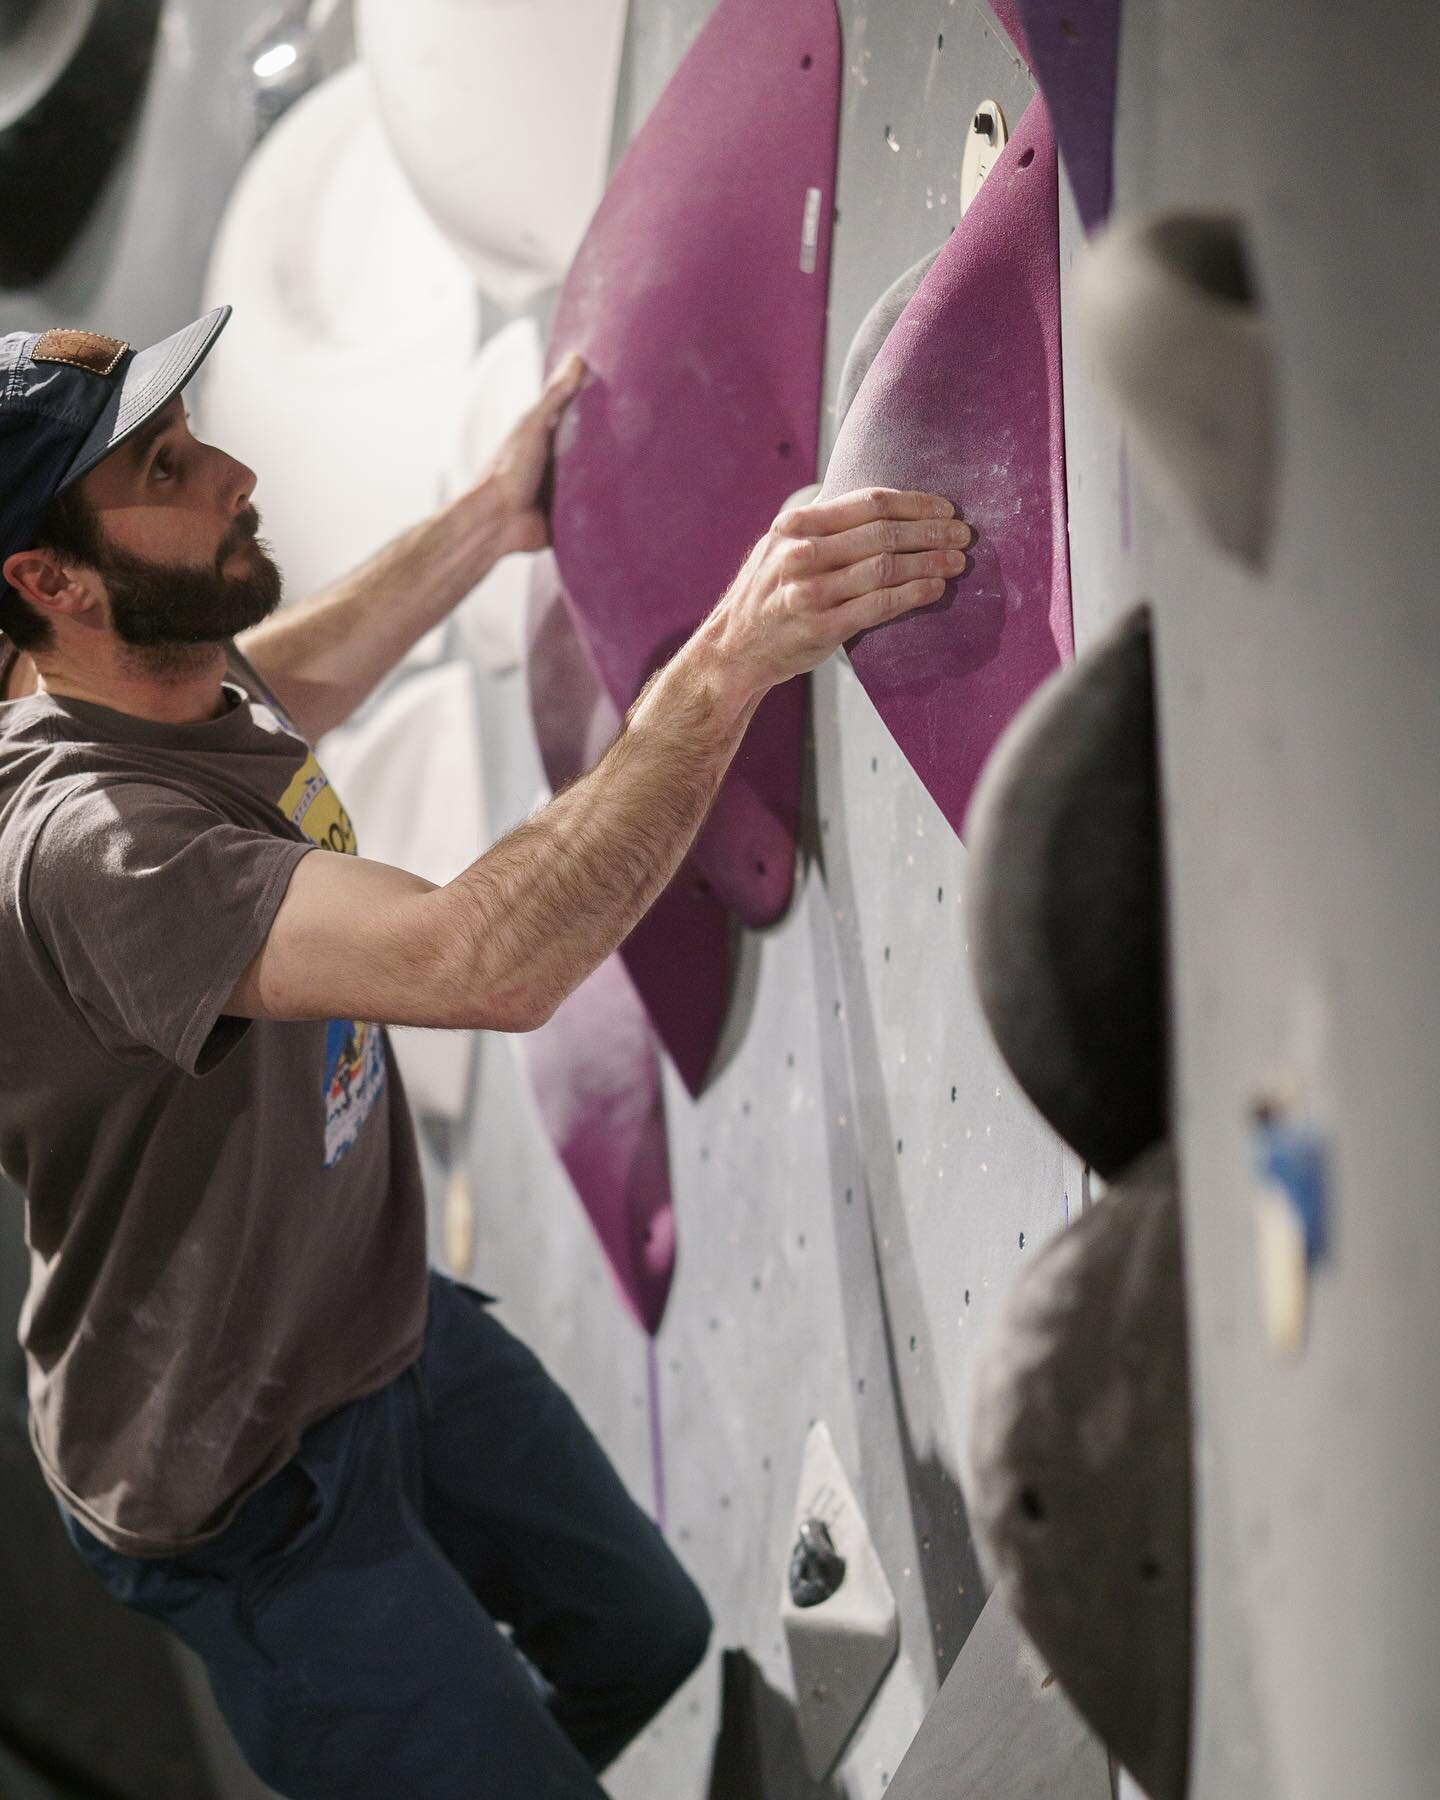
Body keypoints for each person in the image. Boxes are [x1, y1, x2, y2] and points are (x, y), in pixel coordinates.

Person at [0, 307, 971, 1799]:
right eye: (173, 467)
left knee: (641, 1640)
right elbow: (483, 959)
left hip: (378, 1307)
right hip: (248, 1483)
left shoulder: (155, 670)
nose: (237, 475)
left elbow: (285, 675)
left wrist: (489, 521)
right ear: (51, 581)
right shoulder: (95, 852)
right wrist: (732, 659)